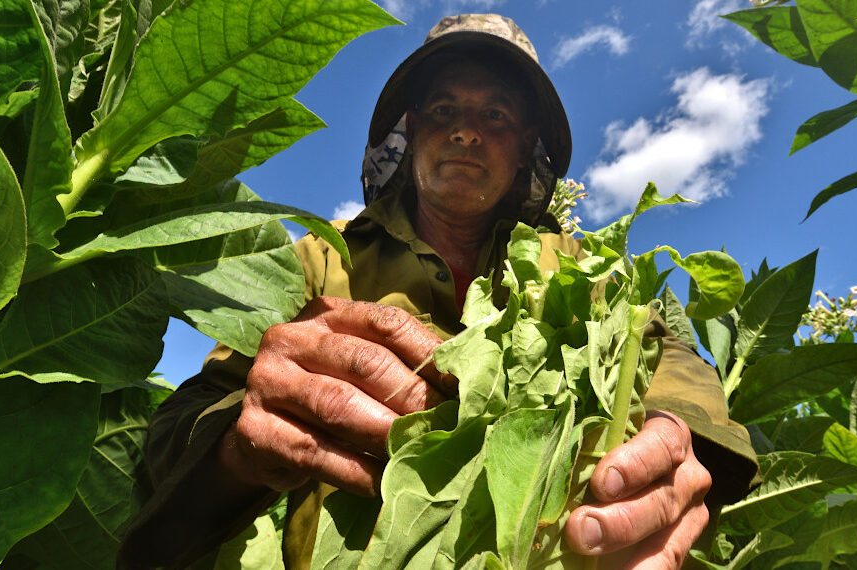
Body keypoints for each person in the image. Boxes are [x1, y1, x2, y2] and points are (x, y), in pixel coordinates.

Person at [119, 13, 757, 570]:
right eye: (445, 110)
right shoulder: (320, 256)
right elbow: (179, 431)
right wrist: (240, 443)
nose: (466, 131)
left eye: (495, 114)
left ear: (527, 146)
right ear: (411, 131)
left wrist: (678, 434)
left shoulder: (576, 269)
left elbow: (667, 358)